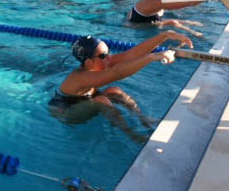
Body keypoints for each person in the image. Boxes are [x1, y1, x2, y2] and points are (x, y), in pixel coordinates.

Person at [49, 31, 192, 140]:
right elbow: (118, 73)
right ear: (88, 62)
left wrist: (165, 35)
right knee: (101, 100)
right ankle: (134, 136)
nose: (109, 58)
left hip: (84, 101)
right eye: (103, 55)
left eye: (108, 52)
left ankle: (144, 120)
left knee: (114, 91)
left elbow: (133, 53)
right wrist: (151, 57)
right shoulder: (80, 77)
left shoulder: (99, 63)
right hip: (67, 112)